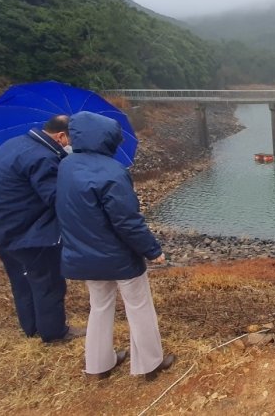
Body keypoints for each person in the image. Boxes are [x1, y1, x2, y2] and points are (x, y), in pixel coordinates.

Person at [56, 111, 176, 380]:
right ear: (108, 139)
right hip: (118, 256)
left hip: (83, 253)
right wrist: (152, 250)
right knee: (139, 306)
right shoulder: (113, 172)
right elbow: (126, 221)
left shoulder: (66, 166)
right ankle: (150, 364)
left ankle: (98, 366)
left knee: (99, 307)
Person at [0, 115, 84, 343]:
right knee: (47, 280)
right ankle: (54, 333)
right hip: (24, 232)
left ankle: (31, 328)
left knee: (21, 277)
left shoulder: (14, 143)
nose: (70, 145)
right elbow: (56, 198)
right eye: (70, 140)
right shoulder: (42, 158)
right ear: (60, 136)